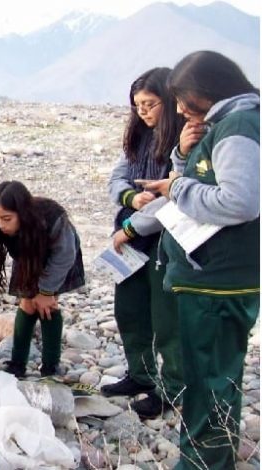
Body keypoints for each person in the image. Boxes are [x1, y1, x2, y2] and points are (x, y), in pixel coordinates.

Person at [145, 51, 259, 470]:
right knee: (211, 376)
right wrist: (182, 154)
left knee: (208, 379)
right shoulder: (223, 125)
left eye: (183, 98)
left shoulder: (239, 125)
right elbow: (205, 177)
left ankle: (203, 463)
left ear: (209, 91)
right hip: (210, 275)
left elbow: (240, 201)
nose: (178, 109)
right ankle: (212, 455)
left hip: (218, 279)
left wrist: (176, 188)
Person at [100, 67, 185, 419]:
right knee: (129, 308)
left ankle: (172, 387)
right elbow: (118, 177)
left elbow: (176, 195)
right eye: (137, 106)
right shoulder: (139, 138)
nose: (143, 112)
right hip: (132, 229)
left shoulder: (185, 142)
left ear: (169, 101)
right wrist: (130, 198)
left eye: (150, 104)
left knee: (166, 317)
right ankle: (141, 374)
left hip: (164, 237)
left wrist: (133, 226)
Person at [0, 181, 85, 377]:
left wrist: (46, 291)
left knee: (47, 306)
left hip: (57, 258)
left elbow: (65, 256)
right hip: (25, 256)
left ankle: (51, 366)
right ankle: (17, 364)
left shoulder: (53, 217)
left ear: (23, 212)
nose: (0, 224)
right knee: (27, 303)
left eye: (7, 218)